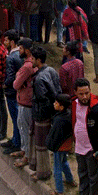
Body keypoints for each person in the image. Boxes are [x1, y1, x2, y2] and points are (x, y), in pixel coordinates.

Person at [70, 79, 98, 195]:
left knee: (94, 178)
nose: (84, 97)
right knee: (82, 175)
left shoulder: (97, 107)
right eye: (81, 94)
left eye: (87, 93)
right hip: (79, 148)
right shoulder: (73, 103)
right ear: (75, 93)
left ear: (90, 91)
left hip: (92, 150)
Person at [29, 46, 61, 181]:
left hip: (41, 114)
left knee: (40, 145)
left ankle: (43, 172)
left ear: (38, 60)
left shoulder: (39, 79)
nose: (30, 61)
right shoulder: (52, 71)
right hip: (51, 112)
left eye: (32, 58)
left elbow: (42, 99)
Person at [11, 38, 36, 167]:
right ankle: (24, 150)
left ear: (26, 50)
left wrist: (17, 78)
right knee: (23, 127)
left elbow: (16, 84)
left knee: (25, 129)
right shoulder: (29, 63)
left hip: (25, 102)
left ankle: (27, 155)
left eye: (20, 48)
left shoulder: (27, 66)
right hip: (24, 100)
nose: (19, 51)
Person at [45, 94, 75, 195]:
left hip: (58, 146)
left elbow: (54, 136)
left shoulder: (58, 120)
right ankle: (70, 179)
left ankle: (59, 190)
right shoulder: (69, 114)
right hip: (66, 145)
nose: (54, 104)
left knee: (57, 167)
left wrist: (50, 145)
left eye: (56, 103)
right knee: (64, 162)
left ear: (61, 107)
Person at [1, 30, 23, 153]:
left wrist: (4, 85)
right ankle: (15, 139)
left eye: (6, 40)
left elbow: (10, 77)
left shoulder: (11, 58)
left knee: (15, 118)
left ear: (12, 42)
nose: (5, 42)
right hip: (19, 91)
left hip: (11, 92)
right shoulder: (20, 55)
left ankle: (16, 142)